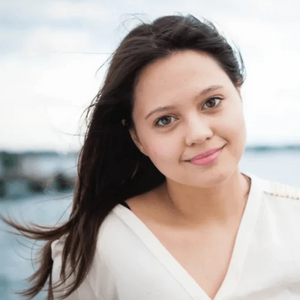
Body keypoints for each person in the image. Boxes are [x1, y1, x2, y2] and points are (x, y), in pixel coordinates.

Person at [4, 14, 300, 300]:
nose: (197, 133)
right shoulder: (98, 248)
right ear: (137, 138)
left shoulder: (293, 218)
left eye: (212, 102)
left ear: (238, 92)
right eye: (165, 120)